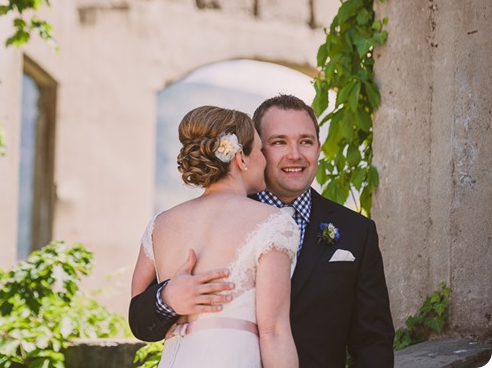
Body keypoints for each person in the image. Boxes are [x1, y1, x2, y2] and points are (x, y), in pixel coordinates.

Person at [129, 94, 395, 367]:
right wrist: (168, 298)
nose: (295, 154)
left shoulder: (357, 231)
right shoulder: (209, 220)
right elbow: (140, 321)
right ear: (249, 153)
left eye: (306, 141)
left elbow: (373, 340)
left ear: (318, 148)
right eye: (278, 142)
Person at [131, 105, 300, 368]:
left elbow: (137, 313)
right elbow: (273, 333)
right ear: (240, 158)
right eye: (259, 150)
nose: (265, 160)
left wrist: (166, 299)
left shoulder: (161, 224)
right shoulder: (273, 222)